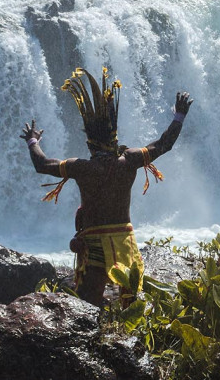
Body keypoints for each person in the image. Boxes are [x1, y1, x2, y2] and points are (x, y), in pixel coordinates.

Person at [20, 67, 192, 307]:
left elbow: (42, 164)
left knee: (88, 304)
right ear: (114, 137)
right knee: (130, 304)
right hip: (124, 240)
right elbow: (164, 144)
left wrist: (32, 141)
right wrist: (179, 116)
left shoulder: (81, 167)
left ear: (90, 142)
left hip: (94, 244)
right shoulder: (130, 159)